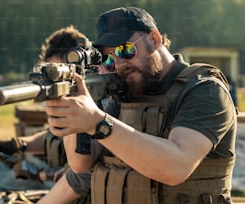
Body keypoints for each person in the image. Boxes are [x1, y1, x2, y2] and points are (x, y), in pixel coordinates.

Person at [44, 7, 237, 203]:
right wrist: (72, 105)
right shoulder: (127, 94)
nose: (119, 64)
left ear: (154, 39)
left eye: (125, 50)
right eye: (109, 58)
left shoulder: (205, 89)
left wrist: (97, 122)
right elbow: (81, 164)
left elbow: (176, 167)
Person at [0, 25, 90, 203]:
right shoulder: (72, 107)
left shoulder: (98, 103)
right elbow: (55, 136)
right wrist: (19, 145)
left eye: (61, 71)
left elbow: (82, 177)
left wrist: (40, 174)